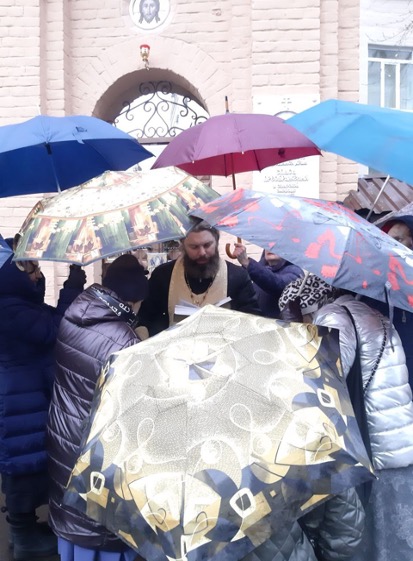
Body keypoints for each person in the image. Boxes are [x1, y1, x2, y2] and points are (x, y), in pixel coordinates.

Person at [279, 273, 413, 561]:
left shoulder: (334, 318)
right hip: (396, 442)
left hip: (371, 448)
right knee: (394, 541)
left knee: (370, 541)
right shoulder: (375, 315)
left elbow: (320, 382)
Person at [47, 253, 149, 561]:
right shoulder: (124, 341)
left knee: (73, 526)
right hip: (96, 460)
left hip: (64, 438)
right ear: (133, 300)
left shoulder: (75, 313)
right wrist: (142, 344)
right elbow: (135, 411)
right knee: (97, 531)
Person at [0, 238, 86, 561]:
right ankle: (23, 539)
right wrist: (72, 286)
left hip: (26, 393)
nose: (38, 275)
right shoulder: (8, 307)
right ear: (12, 273)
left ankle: (23, 533)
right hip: (19, 398)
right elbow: (55, 329)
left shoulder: (16, 300)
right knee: (21, 465)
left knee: (29, 460)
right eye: (31, 269)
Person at [139, 220, 261, 335]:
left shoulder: (237, 276)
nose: (202, 252)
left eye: (207, 245)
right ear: (183, 246)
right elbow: (146, 319)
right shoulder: (162, 275)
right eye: (194, 247)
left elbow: (252, 321)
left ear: (216, 241)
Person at [366, 215, 413, 392]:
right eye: (390, 240)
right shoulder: (370, 275)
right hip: (377, 361)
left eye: (399, 240)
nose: (393, 246)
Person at [232, 243, 303, 318]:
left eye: (276, 245)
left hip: (277, 324)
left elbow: (277, 284)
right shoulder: (257, 269)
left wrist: (247, 263)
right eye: (268, 244)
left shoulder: (295, 272)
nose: (271, 247)